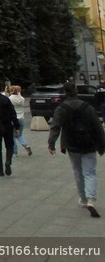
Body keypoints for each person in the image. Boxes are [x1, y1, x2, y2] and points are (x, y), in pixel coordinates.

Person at [48, 82, 105, 218]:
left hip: (71, 144)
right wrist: (102, 145)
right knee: (90, 172)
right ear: (77, 91)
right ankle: (91, 199)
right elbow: (98, 127)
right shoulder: (88, 107)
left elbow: (55, 126)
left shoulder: (61, 109)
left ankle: (83, 199)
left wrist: (51, 143)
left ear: (65, 93)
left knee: (78, 171)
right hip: (89, 143)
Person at [9, 85, 32, 157]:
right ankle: (26, 145)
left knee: (12, 136)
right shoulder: (22, 98)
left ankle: (15, 152)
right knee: (19, 135)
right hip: (21, 118)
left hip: (13, 119)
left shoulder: (10, 98)